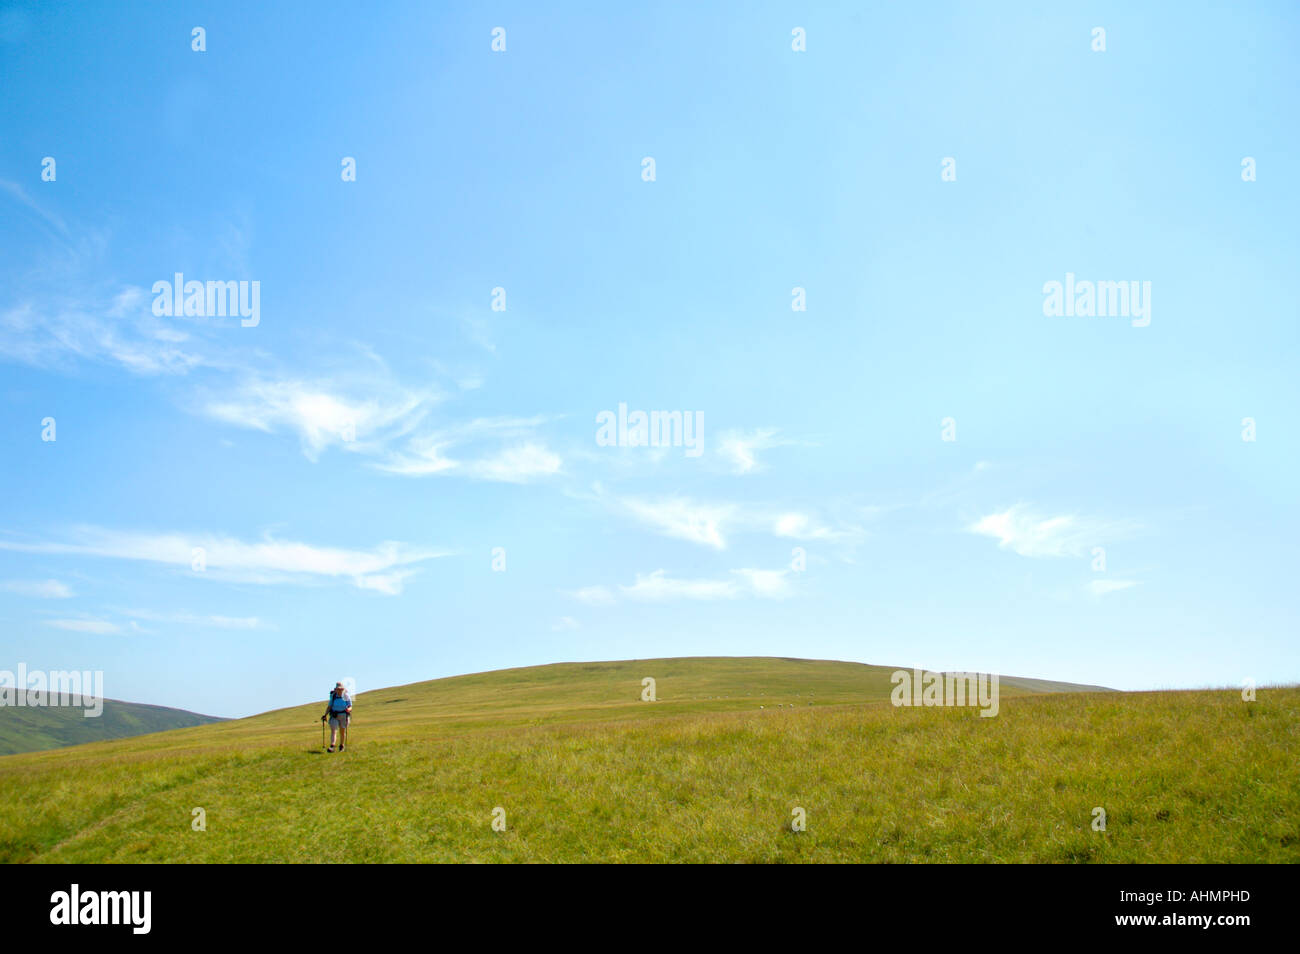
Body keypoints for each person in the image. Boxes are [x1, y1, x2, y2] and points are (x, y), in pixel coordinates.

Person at [321, 681, 352, 752]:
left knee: (342, 731)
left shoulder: (346, 696)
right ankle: (332, 746)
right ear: (336, 689)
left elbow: (350, 706)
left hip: (344, 715)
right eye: (338, 689)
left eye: (340, 689)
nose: (339, 690)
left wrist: (348, 709)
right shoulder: (333, 696)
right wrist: (325, 715)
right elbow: (329, 706)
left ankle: (341, 746)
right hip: (334, 715)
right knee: (333, 730)